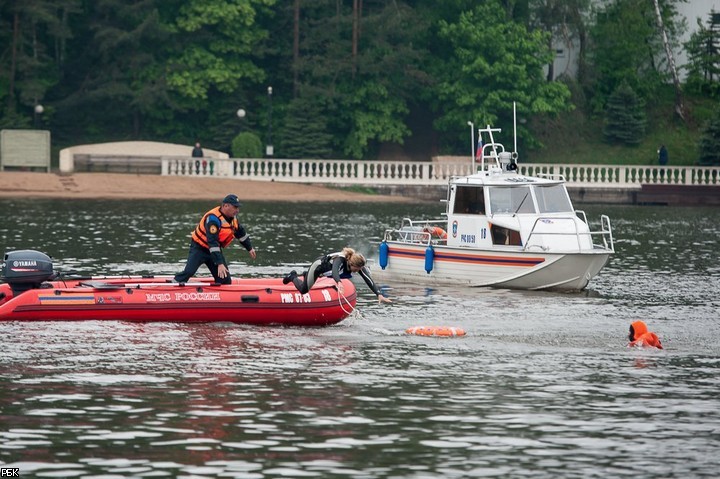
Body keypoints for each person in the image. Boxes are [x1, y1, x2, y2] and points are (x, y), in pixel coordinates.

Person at [174, 194, 256, 284]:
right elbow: (212, 242)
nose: (237, 210)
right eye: (235, 207)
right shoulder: (213, 219)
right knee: (189, 272)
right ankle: (172, 284)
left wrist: (249, 248)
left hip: (214, 251)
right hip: (199, 248)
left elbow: (240, 232)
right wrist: (219, 263)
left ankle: (217, 294)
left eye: (238, 207)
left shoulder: (232, 218)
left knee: (225, 280)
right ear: (225, 206)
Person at [282, 247, 392, 304]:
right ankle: (293, 276)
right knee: (303, 290)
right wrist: (338, 282)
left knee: (314, 280)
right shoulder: (340, 259)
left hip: (325, 273)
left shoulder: (357, 267)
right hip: (318, 267)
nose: (357, 271)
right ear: (351, 264)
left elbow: (368, 279)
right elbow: (335, 270)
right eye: (357, 269)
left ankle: (306, 275)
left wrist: (378, 294)